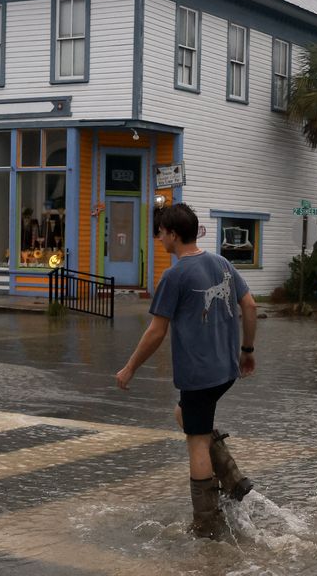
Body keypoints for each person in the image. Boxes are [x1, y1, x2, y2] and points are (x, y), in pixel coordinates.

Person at [115, 203, 258, 539]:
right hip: (224, 371)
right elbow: (249, 306)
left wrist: (129, 368)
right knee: (186, 415)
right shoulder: (221, 263)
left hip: (199, 373)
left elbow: (156, 331)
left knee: (196, 440)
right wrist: (247, 351)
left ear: (173, 235)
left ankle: (207, 522)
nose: (159, 237)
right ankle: (233, 478)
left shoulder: (174, 275)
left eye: (161, 232)